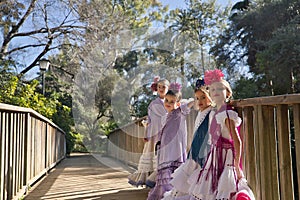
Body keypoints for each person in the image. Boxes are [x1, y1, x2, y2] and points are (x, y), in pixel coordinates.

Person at [188, 69, 255, 200]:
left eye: (220, 89)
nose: (215, 92)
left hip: (225, 156)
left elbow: (237, 140)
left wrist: (236, 164)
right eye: (212, 90)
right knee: (212, 186)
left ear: (228, 93)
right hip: (215, 155)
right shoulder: (215, 113)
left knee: (225, 186)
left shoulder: (227, 114)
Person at [162, 78, 212, 200]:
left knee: (199, 178)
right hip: (195, 149)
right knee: (188, 176)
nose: (199, 101)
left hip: (204, 150)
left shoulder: (212, 113)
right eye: (197, 98)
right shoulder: (200, 113)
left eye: (203, 97)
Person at [147, 82, 194, 200]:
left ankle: (172, 194)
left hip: (175, 150)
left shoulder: (179, 113)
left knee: (173, 171)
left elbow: (191, 103)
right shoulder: (164, 117)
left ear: (177, 104)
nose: (168, 103)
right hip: (164, 149)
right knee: (164, 170)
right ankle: (163, 194)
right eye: (166, 100)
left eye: (171, 102)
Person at [128, 77, 169, 187]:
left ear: (168, 88)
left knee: (162, 155)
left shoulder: (170, 101)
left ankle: (160, 179)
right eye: (159, 87)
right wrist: (146, 133)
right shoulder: (153, 104)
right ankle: (149, 179)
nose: (161, 89)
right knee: (151, 154)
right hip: (153, 133)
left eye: (163, 87)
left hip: (165, 131)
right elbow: (149, 120)